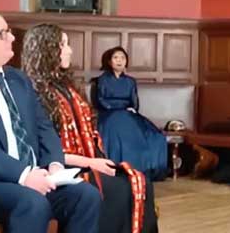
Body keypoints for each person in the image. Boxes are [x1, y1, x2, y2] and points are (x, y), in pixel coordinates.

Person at [0, 8, 100, 233]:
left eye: (9, 31)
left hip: (34, 173)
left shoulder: (17, 78)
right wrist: (23, 175)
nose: (12, 37)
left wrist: (55, 164)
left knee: (86, 195)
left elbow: (44, 127)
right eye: (2, 34)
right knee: (32, 202)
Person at [21, 24, 158, 233]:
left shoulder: (66, 86)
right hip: (59, 168)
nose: (70, 50)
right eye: (63, 45)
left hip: (88, 161)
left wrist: (97, 160)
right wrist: (90, 162)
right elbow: (42, 150)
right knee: (118, 189)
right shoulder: (31, 91)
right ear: (47, 49)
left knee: (138, 180)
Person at [95, 46, 167, 181]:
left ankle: (141, 169)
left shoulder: (130, 81)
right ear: (109, 61)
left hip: (127, 114)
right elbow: (101, 101)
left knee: (155, 136)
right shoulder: (102, 80)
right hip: (109, 115)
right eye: (116, 57)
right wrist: (118, 107)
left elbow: (134, 104)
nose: (119, 61)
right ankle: (120, 168)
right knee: (119, 128)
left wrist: (127, 109)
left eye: (122, 58)